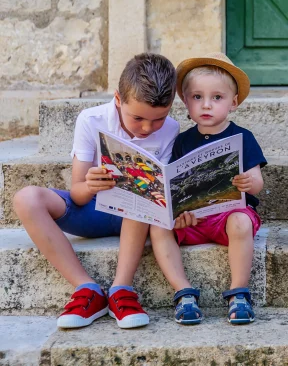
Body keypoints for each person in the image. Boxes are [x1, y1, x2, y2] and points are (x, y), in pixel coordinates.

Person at [13, 53, 179, 329]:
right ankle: (87, 289)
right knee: (26, 198)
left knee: (140, 190)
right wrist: (90, 185)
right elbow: (77, 193)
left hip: (141, 218)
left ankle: (121, 289)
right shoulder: (91, 120)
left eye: (158, 119)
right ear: (117, 99)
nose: (148, 128)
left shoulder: (171, 129)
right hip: (94, 210)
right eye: (138, 118)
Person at [148, 52, 267, 325]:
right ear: (186, 102)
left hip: (228, 215)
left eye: (217, 97)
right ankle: (183, 293)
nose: (206, 105)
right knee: (158, 226)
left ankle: (239, 293)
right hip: (193, 219)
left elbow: (257, 183)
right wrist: (177, 212)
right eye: (197, 97)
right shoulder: (182, 141)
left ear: (233, 103)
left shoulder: (242, 137)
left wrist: (249, 183)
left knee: (240, 221)